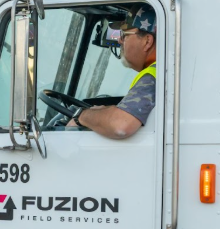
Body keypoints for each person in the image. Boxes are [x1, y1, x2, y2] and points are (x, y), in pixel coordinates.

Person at [67, 8, 157, 139]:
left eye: (125, 35)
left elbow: (121, 125)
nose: (119, 40)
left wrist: (81, 116)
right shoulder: (162, 71)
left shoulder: (153, 76)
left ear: (147, 41)